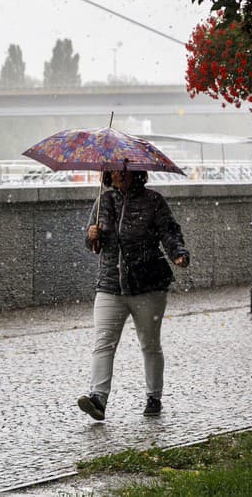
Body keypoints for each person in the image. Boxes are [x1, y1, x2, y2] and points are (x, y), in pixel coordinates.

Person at [77, 169, 190, 420]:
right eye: (115, 171)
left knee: (149, 344)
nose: (119, 175)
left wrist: (178, 253)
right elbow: (92, 243)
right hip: (110, 285)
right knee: (103, 343)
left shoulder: (153, 201)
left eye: (125, 170)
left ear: (137, 172)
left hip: (148, 285)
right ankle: (98, 398)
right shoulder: (103, 201)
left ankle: (153, 397)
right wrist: (91, 235)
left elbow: (169, 232)